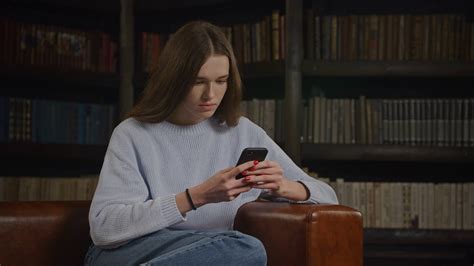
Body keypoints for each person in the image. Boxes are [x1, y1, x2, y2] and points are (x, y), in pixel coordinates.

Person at [84, 20, 338, 266]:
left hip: (207, 251)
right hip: (129, 251)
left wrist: (283, 187)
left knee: (244, 248)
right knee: (241, 249)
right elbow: (104, 229)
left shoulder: (244, 132)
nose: (211, 95)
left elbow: (329, 197)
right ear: (174, 79)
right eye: (198, 82)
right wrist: (196, 197)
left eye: (221, 81)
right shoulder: (133, 134)